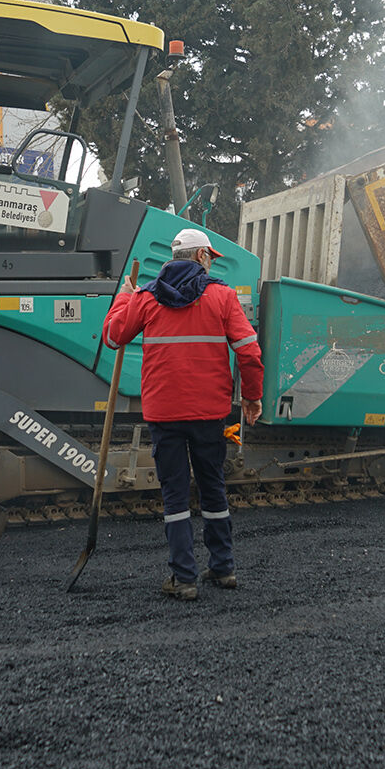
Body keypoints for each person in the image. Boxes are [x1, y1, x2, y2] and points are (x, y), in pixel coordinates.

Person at [102, 228, 263, 600]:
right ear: (202, 257)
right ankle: (223, 569)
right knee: (213, 488)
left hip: (165, 414)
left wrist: (124, 299)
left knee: (174, 495)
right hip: (209, 413)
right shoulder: (222, 297)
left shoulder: (145, 298)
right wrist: (251, 398)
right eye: (210, 257)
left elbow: (112, 337)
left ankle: (184, 578)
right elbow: (249, 353)